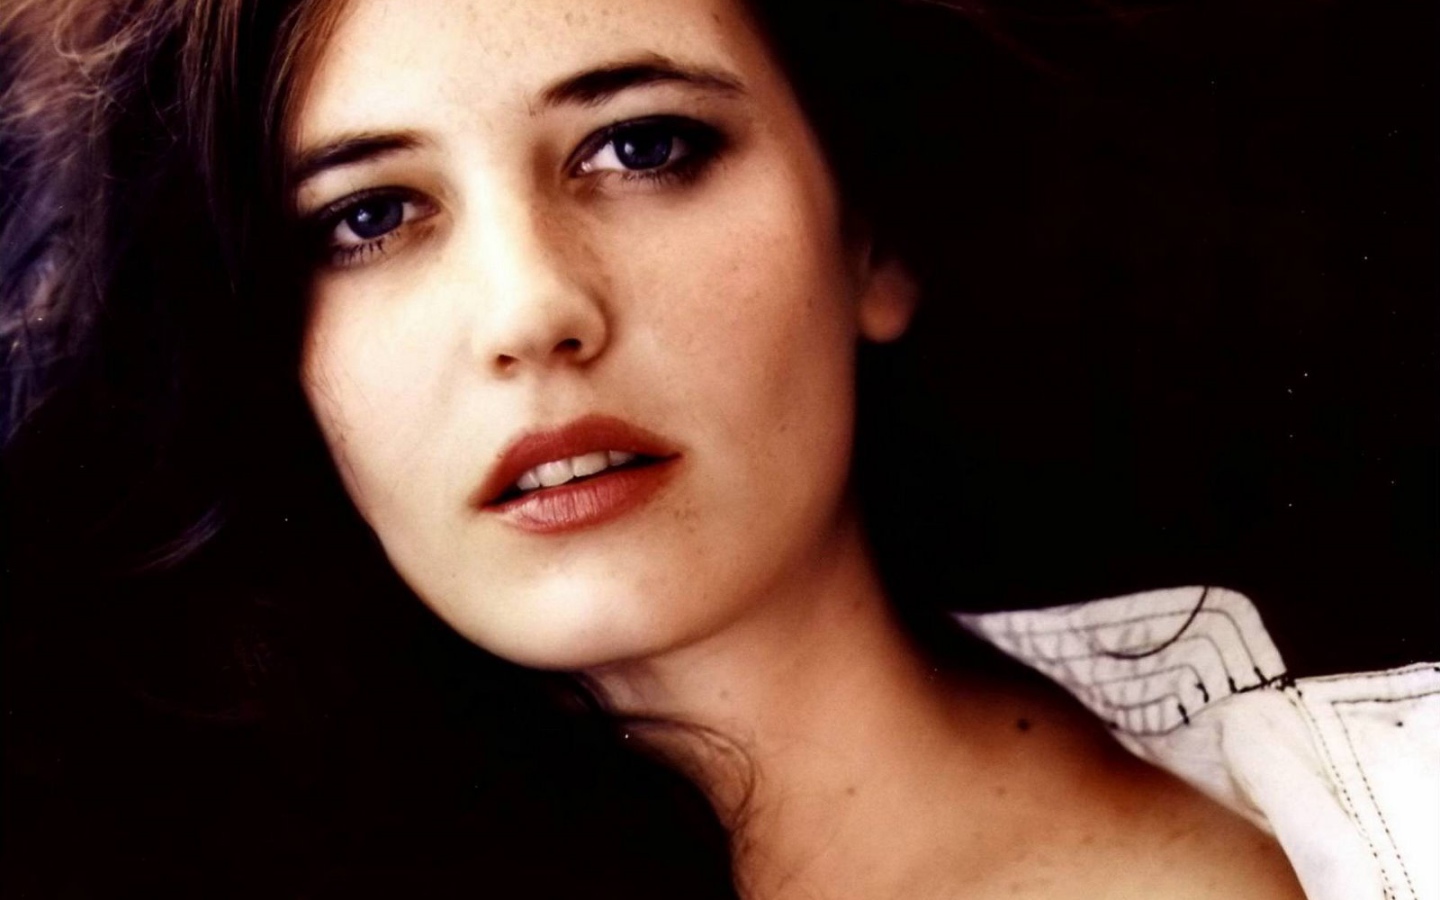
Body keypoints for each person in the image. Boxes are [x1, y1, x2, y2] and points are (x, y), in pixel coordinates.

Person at [0, 1, 1433, 898]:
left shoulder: (1388, 825)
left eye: (644, 147)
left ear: (869, 233)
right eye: (368, 217)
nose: (531, 310)